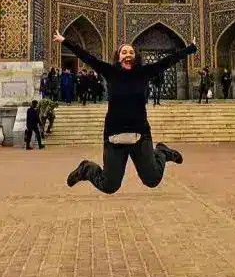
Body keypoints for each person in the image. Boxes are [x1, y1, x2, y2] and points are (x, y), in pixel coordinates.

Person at [57, 30, 195, 194]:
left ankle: (162, 152)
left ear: (135, 57)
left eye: (131, 52)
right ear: (118, 56)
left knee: (152, 179)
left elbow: (167, 61)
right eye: (124, 52)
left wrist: (190, 48)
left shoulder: (144, 73)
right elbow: (87, 57)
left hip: (140, 135)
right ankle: (86, 169)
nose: (128, 54)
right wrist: (65, 41)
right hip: (114, 136)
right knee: (109, 186)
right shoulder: (110, 71)